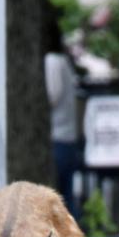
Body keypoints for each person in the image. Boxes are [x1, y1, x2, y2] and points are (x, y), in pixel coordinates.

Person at [45, 22, 81, 220]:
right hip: (68, 139)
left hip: (57, 137)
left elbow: (52, 95)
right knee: (65, 197)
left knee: (57, 199)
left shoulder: (52, 61)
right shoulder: (65, 62)